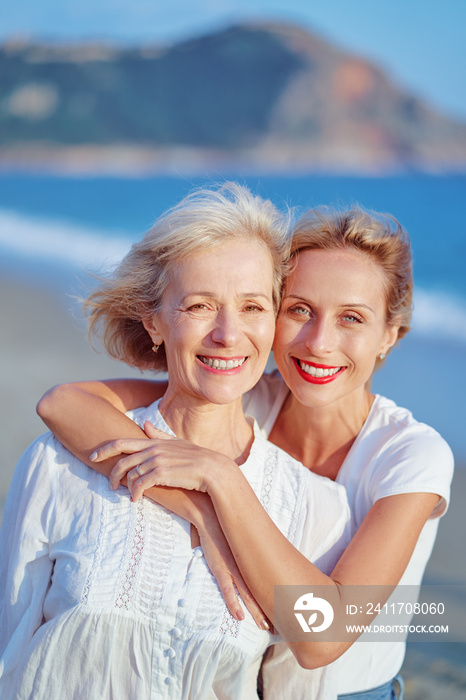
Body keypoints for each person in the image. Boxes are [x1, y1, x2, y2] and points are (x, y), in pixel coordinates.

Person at [36, 204, 454, 699]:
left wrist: (221, 479)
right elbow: (65, 403)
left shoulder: (411, 455)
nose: (320, 343)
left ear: (389, 334)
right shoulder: (246, 397)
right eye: (300, 310)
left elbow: (324, 636)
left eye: (351, 318)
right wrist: (202, 514)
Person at [0, 184, 350, 700]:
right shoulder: (58, 464)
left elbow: (300, 679)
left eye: (253, 306)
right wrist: (204, 510)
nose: (228, 334)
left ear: (274, 319)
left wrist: (221, 479)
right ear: (154, 321)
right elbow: (9, 647)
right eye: (199, 306)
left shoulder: (314, 506)